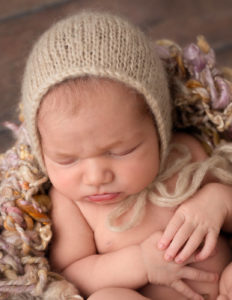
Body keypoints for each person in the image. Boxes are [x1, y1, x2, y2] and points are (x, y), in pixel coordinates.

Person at [20, 11, 232, 300]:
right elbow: (71, 274)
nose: (96, 177)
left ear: (159, 131)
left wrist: (218, 202)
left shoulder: (186, 155)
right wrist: (140, 263)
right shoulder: (70, 204)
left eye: (121, 151)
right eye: (67, 159)